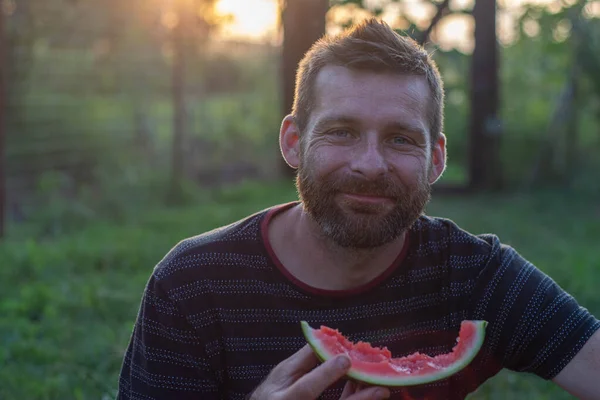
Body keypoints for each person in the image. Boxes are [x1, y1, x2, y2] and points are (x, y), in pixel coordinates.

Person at [116, 18, 600, 400]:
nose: (370, 165)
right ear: (293, 142)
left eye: (400, 139)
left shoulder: (473, 276)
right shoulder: (191, 285)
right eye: (341, 131)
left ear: (436, 160)